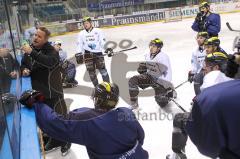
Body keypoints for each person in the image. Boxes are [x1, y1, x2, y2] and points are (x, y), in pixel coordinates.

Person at [19, 82, 149, 159]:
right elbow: (141, 137)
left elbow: (53, 123)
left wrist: (36, 103)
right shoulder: (126, 113)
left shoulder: (86, 118)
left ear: (96, 99)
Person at [167, 52, 231, 159]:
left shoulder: (212, 78)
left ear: (216, 67)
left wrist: (196, 105)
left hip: (214, 127)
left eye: (207, 65)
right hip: (229, 126)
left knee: (179, 119)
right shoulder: (229, 78)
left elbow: (204, 109)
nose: (204, 68)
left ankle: (177, 156)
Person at [20, 27, 71, 155]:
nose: (35, 38)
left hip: (53, 93)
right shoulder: (29, 50)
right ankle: (54, 140)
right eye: (35, 35)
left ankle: (66, 141)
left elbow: (49, 62)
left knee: (60, 119)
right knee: (45, 121)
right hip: (39, 93)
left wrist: (31, 52)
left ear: (46, 39)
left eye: (39, 36)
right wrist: (24, 70)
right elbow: (24, 63)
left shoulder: (51, 51)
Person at [128, 38, 175, 109]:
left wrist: (167, 84)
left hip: (160, 80)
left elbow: (168, 72)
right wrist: (142, 69)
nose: (151, 48)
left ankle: (170, 91)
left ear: (159, 48)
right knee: (132, 81)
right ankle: (134, 104)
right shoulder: (147, 55)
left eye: (154, 46)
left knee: (161, 101)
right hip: (150, 76)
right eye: (150, 46)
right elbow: (148, 67)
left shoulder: (163, 57)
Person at [75, 16, 110, 87]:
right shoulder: (81, 33)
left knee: (103, 70)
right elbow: (79, 44)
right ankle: (97, 87)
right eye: (84, 23)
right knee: (91, 73)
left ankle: (107, 87)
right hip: (87, 54)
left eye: (87, 23)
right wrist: (79, 53)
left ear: (91, 23)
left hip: (98, 53)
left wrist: (107, 49)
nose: (85, 25)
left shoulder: (98, 31)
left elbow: (102, 42)